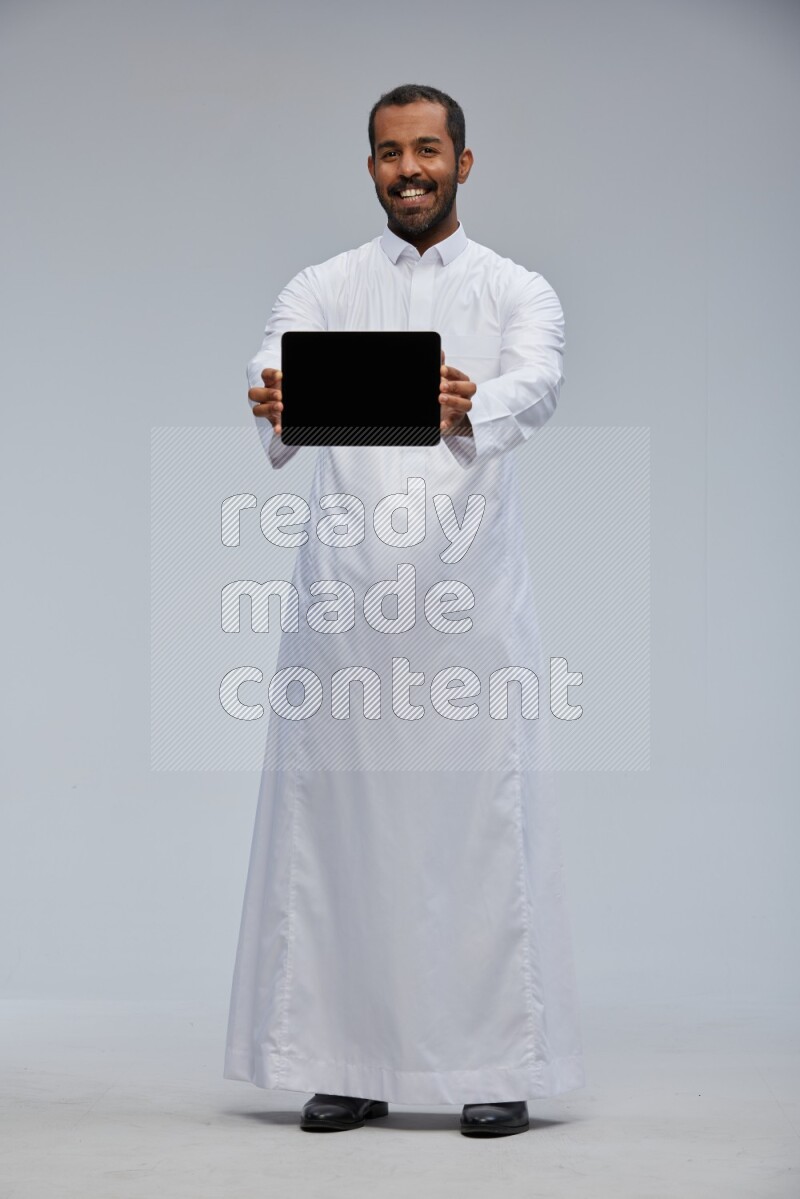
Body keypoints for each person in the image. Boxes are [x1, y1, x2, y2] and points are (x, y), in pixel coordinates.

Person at [223, 83, 585, 1137]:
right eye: (389, 153)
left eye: (427, 150)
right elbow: (275, 358)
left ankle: (494, 1064)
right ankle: (347, 1057)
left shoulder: (516, 288)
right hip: (343, 613)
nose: (408, 169)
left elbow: (541, 379)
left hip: (468, 608)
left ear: (463, 163)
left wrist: (480, 403)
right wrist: (275, 390)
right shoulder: (325, 283)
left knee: (475, 834)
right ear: (370, 166)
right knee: (340, 833)